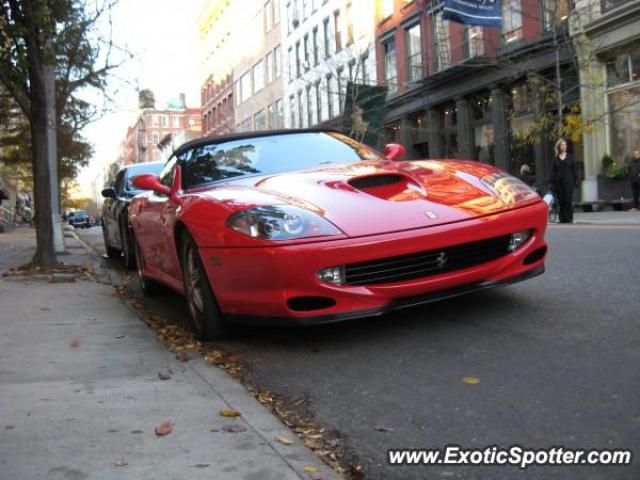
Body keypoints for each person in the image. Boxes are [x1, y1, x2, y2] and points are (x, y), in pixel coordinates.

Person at [549, 138, 578, 223]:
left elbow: (574, 170)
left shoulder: (570, 157)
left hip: (569, 182)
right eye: (562, 145)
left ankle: (569, 218)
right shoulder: (555, 159)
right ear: (558, 147)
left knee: (568, 200)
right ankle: (562, 219)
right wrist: (551, 183)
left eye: (565, 145)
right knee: (561, 201)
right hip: (558, 183)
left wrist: (576, 180)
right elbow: (552, 172)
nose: (564, 146)